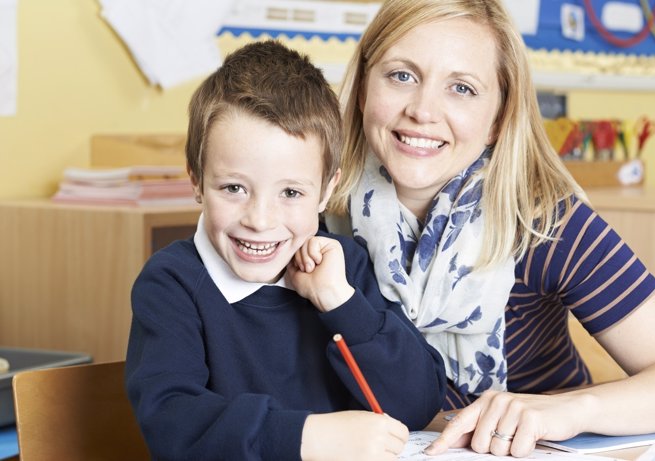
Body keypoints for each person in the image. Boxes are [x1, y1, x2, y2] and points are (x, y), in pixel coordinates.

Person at [325, 0, 655, 457]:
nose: (423, 110)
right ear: (363, 89)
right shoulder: (305, 212)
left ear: (498, 118)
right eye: (402, 76)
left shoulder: (543, 221)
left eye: (461, 88)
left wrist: (571, 409)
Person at [125, 40, 447, 461]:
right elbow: (171, 422)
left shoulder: (343, 267)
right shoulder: (173, 283)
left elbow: (418, 404)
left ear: (326, 190)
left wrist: (340, 303)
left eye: (291, 192)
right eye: (234, 188)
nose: (260, 219)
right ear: (197, 180)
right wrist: (307, 437)